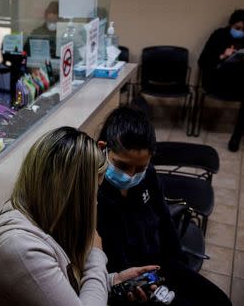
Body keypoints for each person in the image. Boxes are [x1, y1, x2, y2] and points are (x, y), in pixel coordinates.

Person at [0, 126, 158, 306]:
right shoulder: (21, 249)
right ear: (73, 195)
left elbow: (63, 289)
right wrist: (95, 255)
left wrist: (112, 281)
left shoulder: (42, 218)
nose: (95, 202)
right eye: (94, 192)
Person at [97, 106, 232, 306]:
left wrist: (179, 265)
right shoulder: (92, 193)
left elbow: (164, 219)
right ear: (102, 149)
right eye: (123, 166)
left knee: (220, 302)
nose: (131, 175)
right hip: (127, 283)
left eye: (140, 167)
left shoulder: (148, 175)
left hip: (162, 264)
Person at [198, 9, 244, 151]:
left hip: (239, 83)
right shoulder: (218, 36)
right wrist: (221, 56)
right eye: (237, 28)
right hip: (216, 81)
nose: (240, 32)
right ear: (231, 24)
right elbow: (202, 62)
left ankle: (236, 136)